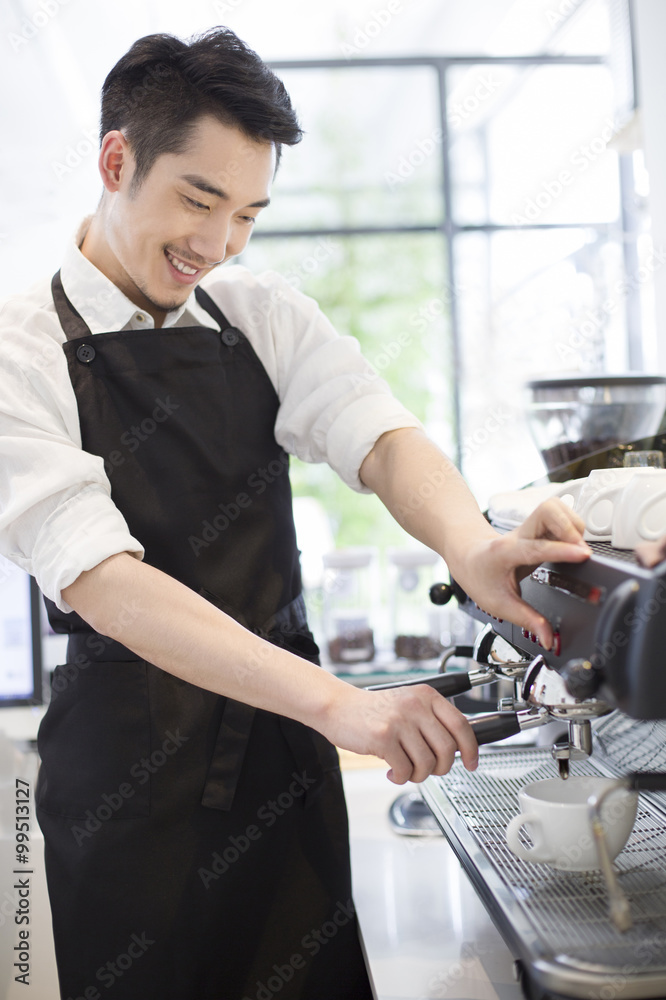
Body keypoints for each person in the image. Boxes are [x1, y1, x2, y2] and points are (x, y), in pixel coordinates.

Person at [0, 27, 590, 1000]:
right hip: (126, 787)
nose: (217, 243)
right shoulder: (20, 353)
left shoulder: (257, 313)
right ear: (116, 159)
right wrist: (343, 706)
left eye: (246, 214)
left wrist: (471, 541)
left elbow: (378, 433)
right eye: (199, 199)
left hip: (279, 764)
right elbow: (105, 582)